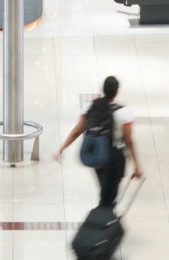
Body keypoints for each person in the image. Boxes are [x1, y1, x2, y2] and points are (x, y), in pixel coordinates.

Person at [54, 75, 141, 209]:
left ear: (103, 89)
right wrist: (136, 165)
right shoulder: (124, 112)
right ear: (117, 91)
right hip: (115, 158)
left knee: (106, 192)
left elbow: (77, 131)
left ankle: (105, 216)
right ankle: (102, 221)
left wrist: (62, 148)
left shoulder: (91, 107)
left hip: (97, 155)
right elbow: (129, 141)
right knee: (108, 197)